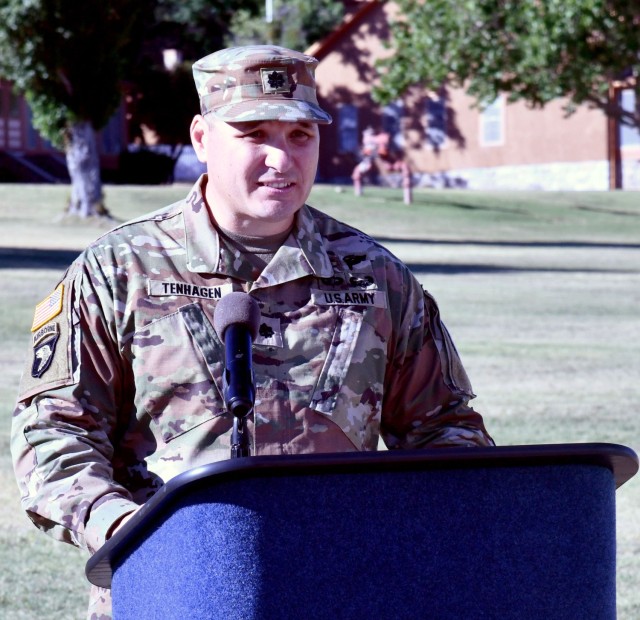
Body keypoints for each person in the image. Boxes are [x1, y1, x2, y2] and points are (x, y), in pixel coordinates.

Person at [11, 45, 494, 619]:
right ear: (200, 138)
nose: (281, 159)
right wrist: (129, 529)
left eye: (299, 137)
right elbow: (52, 435)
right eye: (253, 133)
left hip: (341, 591)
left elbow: (446, 432)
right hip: (167, 592)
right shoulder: (120, 269)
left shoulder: (376, 277)